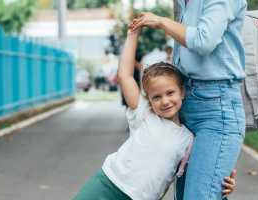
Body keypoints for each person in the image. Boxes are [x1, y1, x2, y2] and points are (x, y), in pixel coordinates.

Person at [73, 23, 236, 200]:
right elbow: (125, 76)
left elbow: (200, 177)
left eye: (170, 93)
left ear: (182, 92)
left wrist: (225, 186)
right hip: (107, 185)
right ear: (149, 99)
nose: (165, 101)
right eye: (157, 97)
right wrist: (132, 36)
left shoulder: (189, 141)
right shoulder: (145, 112)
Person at [129, 0, 247, 199]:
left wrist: (161, 21)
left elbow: (203, 41)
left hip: (216, 107)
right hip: (185, 106)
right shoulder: (185, 3)